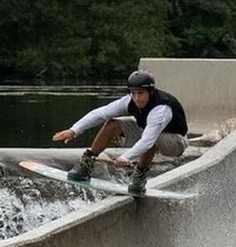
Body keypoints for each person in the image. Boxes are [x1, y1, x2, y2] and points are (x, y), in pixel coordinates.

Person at [52, 70, 189, 197]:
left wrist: (125, 157)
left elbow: (147, 140)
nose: (136, 98)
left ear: (151, 92)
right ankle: (87, 163)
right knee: (112, 123)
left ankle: (139, 177)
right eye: (133, 93)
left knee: (151, 137)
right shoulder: (129, 101)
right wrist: (74, 130)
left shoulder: (161, 109)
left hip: (176, 143)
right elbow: (100, 113)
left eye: (140, 93)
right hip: (150, 134)